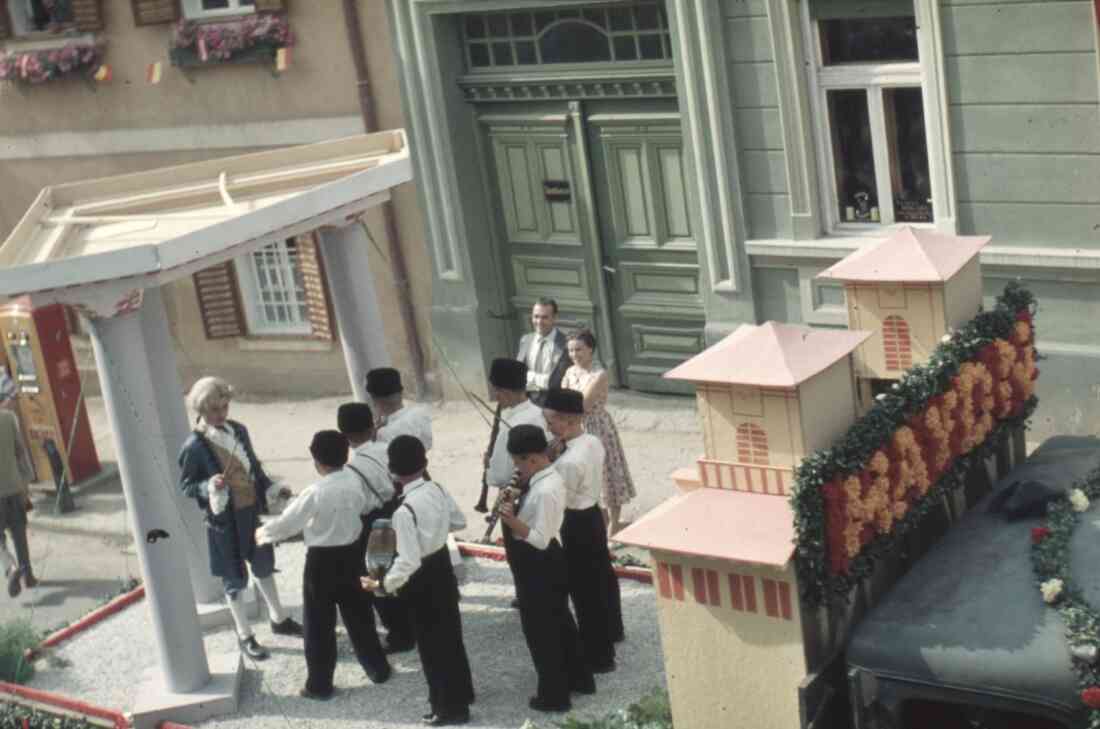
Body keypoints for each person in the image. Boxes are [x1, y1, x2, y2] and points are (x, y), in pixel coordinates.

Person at [255, 430, 391, 699]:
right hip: (352, 556)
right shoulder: (354, 483)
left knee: (318, 623)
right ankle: (377, 668)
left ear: (317, 462)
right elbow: (365, 507)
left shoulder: (315, 491)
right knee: (360, 615)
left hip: (321, 561)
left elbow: (289, 522)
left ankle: (319, 684)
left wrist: (262, 533)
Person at [178, 376, 303, 661]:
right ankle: (245, 634)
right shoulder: (194, 446)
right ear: (201, 410)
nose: (221, 414)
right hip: (224, 523)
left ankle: (279, 618)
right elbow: (186, 486)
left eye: (224, 407)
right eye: (214, 410)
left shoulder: (239, 431)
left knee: (263, 565)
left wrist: (272, 487)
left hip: (250, 514)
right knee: (233, 579)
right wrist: (209, 485)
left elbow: (254, 469)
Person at [362, 435, 474, 727]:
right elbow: (459, 521)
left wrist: (383, 585)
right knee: (451, 637)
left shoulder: (404, 511)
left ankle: (447, 708)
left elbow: (408, 561)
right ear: (424, 463)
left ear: (393, 471)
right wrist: (436, 530)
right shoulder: (436, 488)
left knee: (431, 646)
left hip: (422, 578)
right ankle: (463, 694)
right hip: (441, 567)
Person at [500, 424, 595, 712]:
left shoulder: (546, 490)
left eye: (518, 462)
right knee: (560, 623)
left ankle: (554, 696)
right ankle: (579, 679)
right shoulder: (541, 479)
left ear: (532, 458)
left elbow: (539, 539)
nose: (517, 468)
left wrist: (509, 517)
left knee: (542, 633)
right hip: (546, 563)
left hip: (539, 562)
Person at [542, 388, 616, 674]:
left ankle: (598, 656)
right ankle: (606, 641)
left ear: (568, 420)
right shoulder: (592, 442)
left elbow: (562, 496)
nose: (548, 427)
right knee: (598, 583)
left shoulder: (568, 462)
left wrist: (549, 464)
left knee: (584, 592)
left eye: (551, 421)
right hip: (593, 516)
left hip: (576, 522)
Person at [337, 401, 415, 654]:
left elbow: (358, 505)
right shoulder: (389, 448)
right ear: (373, 426)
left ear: (344, 436)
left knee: (378, 575)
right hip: (403, 507)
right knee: (408, 562)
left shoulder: (352, 469)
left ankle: (400, 634)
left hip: (376, 521)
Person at [483, 358, 550, 608]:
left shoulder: (515, 422)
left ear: (507, 391)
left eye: (497, 392)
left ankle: (529, 597)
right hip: (537, 487)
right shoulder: (537, 413)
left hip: (516, 493)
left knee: (519, 552)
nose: (496, 397)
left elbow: (499, 474)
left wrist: (489, 467)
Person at [560, 329, 636, 535]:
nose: (575, 354)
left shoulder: (599, 374)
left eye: (579, 349)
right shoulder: (569, 372)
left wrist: (566, 403)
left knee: (607, 473)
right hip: (573, 428)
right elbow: (561, 401)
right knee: (586, 476)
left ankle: (614, 523)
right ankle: (599, 522)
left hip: (597, 427)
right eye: (571, 350)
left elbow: (582, 404)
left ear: (591, 349)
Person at [0, 403, 34, 598]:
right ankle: (28, 576)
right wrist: (26, 483)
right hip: (14, 488)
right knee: (19, 534)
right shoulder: (8, 417)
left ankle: (11, 568)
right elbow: (20, 451)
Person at [517, 298, 571, 402]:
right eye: (536, 317)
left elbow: (554, 382)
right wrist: (540, 381)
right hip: (527, 402)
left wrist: (529, 377)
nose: (539, 322)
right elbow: (518, 375)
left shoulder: (566, 345)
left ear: (555, 318)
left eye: (544, 317)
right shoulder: (525, 340)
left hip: (554, 404)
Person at [367, 368, 432, 450]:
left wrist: (373, 437)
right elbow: (428, 444)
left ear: (373, 398)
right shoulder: (421, 413)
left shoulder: (382, 434)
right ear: (401, 392)